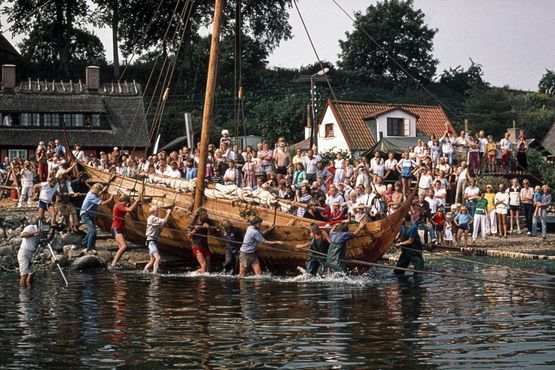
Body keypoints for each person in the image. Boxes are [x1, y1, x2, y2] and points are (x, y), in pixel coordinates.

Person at [80, 183, 114, 254]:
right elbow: (101, 203)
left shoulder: (91, 193)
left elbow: (98, 194)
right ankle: (90, 248)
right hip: (86, 214)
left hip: (90, 214)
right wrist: (110, 199)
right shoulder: (91, 196)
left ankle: (83, 243)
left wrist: (104, 189)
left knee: (90, 231)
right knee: (93, 231)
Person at [110, 195, 141, 269]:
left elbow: (128, 210)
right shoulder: (118, 205)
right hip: (116, 228)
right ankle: (113, 264)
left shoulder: (121, 206)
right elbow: (129, 210)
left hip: (118, 228)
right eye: (127, 203)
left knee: (121, 247)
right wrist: (136, 201)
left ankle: (115, 263)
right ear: (124, 202)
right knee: (124, 246)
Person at [144, 205, 174, 274]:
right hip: (151, 241)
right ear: (154, 212)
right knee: (158, 258)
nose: (158, 213)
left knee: (152, 260)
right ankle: (154, 273)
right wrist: (168, 213)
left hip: (151, 241)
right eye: (157, 211)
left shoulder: (152, 219)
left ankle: (144, 271)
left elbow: (159, 227)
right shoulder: (152, 218)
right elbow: (164, 221)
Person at [188, 207, 214, 273]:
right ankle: (202, 282)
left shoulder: (208, 221)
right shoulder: (193, 222)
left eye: (206, 214)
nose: (205, 216)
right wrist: (195, 230)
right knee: (204, 265)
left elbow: (212, 233)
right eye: (204, 214)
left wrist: (209, 228)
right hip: (196, 245)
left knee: (208, 269)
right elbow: (189, 236)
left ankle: (195, 273)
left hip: (205, 245)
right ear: (200, 215)